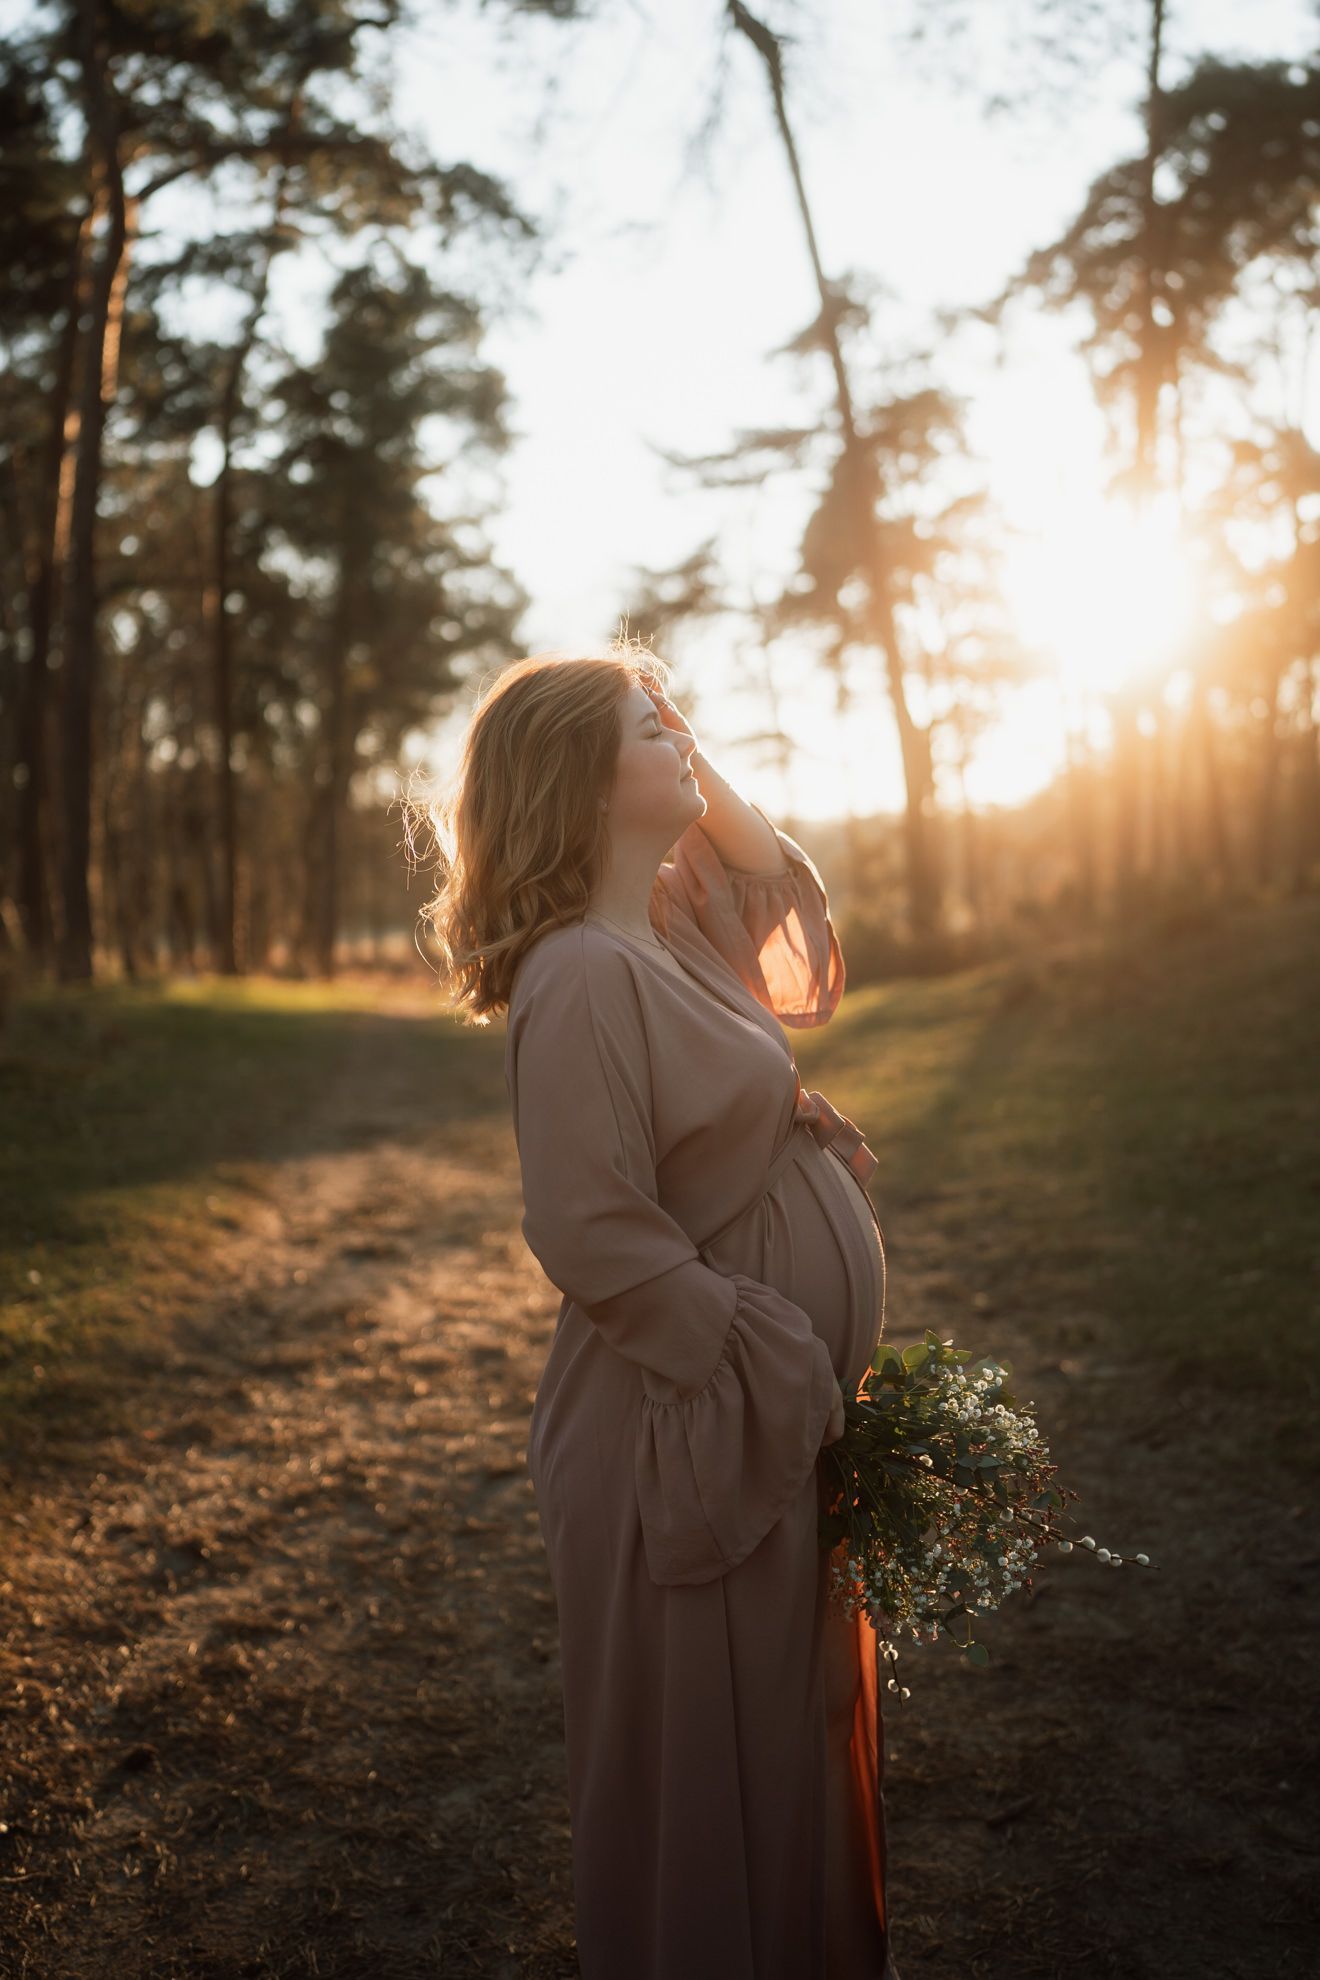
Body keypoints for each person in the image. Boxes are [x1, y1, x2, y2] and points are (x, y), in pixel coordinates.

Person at [420, 645, 898, 1979]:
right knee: (710, 1767)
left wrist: (675, 743)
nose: (684, 740)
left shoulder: (665, 928)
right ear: (580, 779)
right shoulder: (579, 972)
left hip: (747, 1417)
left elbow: (789, 925)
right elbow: (590, 1228)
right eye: (652, 729)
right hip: (686, 1429)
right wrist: (772, 1364)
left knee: (781, 1739)